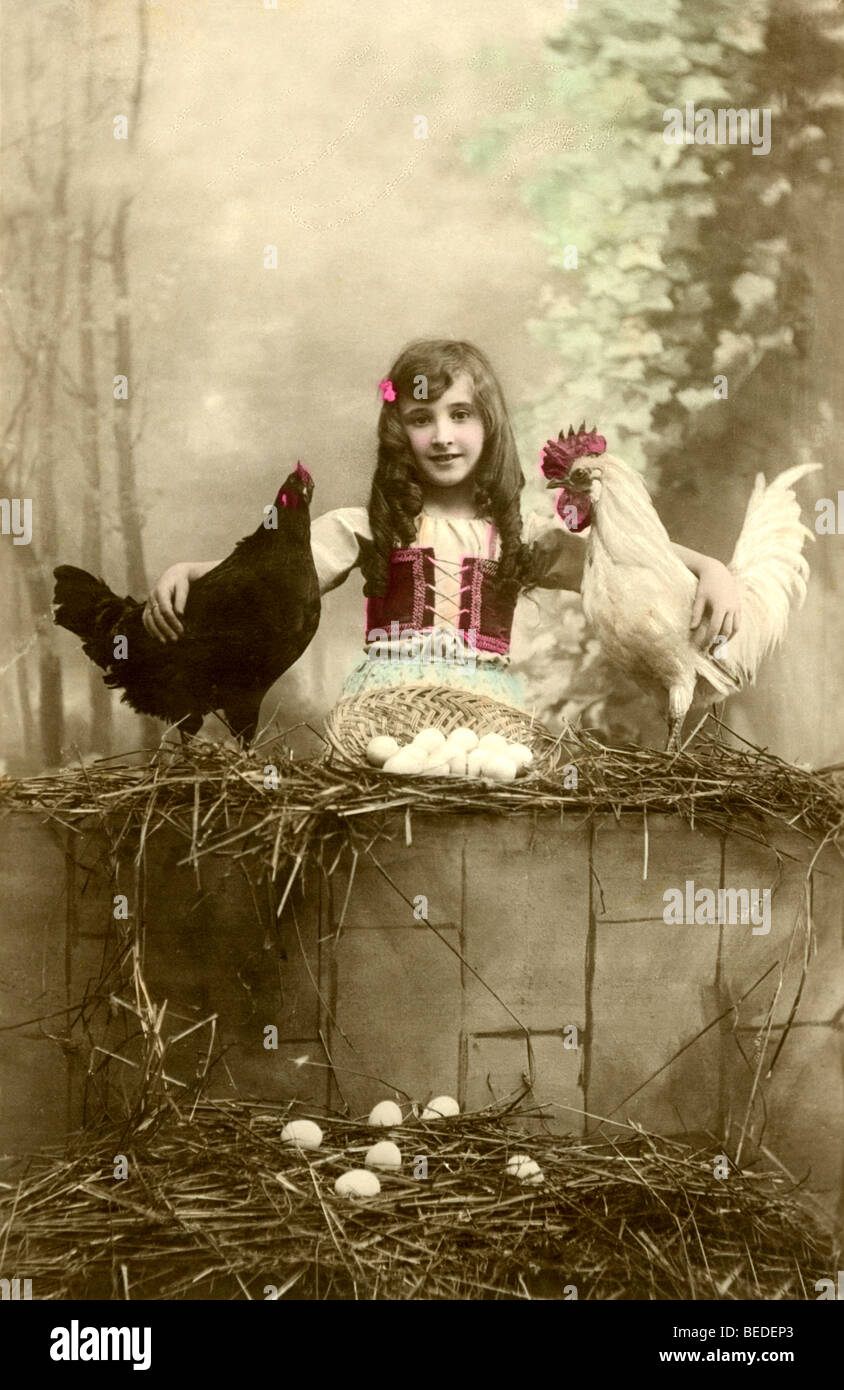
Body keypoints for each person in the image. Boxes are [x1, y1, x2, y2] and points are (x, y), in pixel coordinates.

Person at [142, 339, 741, 714]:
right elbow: (273, 575)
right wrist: (190, 572)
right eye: (421, 419)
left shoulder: (522, 538)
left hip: (487, 718)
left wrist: (708, 567)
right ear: (398, 430)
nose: (443, 436)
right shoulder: (369, 528)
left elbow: (626, 555)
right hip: (384, 714)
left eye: (460, 415)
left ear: (489, 426)